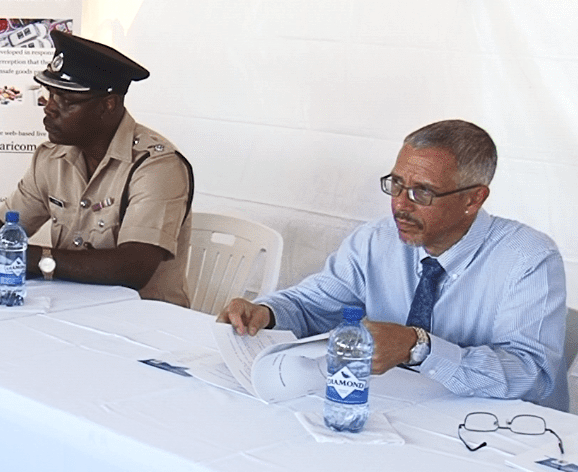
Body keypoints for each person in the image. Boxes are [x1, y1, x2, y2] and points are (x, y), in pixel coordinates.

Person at [219, 120, 567, 410]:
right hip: (399, 412)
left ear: (473, 198)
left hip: (496, 434)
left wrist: (419, 347)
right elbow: (315, 305)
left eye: (422, 192)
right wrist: (267, 311)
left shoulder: (528, 259)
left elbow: (533, 376)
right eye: (396, 184)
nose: (400, 205)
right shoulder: (375, 240)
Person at [0, 30, 194, 306]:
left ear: (107, 105)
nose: (49, 109)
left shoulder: (157, 167)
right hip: (69, 312)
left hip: (145, 325)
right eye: (50, 95)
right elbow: (1, 227)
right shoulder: (52, 158)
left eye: (66, 101)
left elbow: (132, 268)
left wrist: (27, 257)